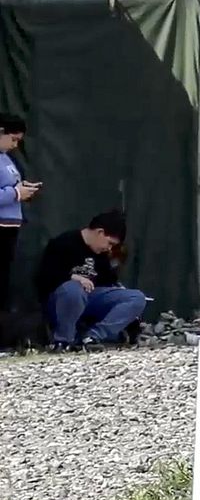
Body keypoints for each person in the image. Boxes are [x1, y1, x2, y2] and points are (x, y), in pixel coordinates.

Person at [35, 210, 145, 350]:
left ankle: (93, 337)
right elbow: (45, 278)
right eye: (109, 243)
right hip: (62, 300)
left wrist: (117, 289)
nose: (109, 248)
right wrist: (74, 278)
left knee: (136, 297)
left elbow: (107, 280)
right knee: (73, 290)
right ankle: (64, 341)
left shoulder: (101, 254)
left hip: (91, 298)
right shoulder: (63, 243)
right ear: (100, 232)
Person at [0, 113, 37, 314]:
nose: (15, 145)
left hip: (10, 228)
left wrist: (23, 189)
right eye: (13, 139)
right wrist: (15, 193)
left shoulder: (6, 158)